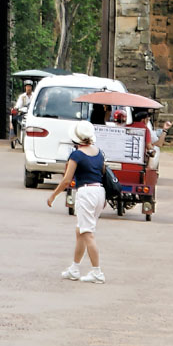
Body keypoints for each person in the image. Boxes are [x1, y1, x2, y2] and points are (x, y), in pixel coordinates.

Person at [46, 121, 107, 283]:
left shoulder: (77, 155)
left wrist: (53, 195)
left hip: (86, 192)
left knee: (87, 233)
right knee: (81, 231)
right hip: (99, 191)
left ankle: (97, 272)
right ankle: (75, 268)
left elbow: (67, 180)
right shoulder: (99, 152)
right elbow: (102, 172)